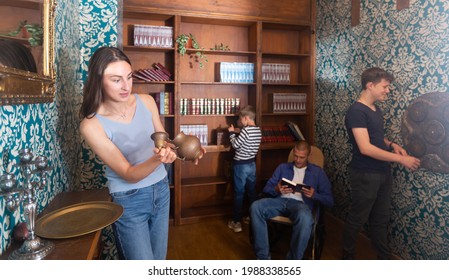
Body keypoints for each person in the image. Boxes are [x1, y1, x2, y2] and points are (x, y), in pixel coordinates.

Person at [79, 46, 204, 260]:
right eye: (116, 79)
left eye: (128, 77)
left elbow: (164, 142)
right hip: (129, 200)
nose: (126, 86)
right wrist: (158, 159)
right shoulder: (91, 125)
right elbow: (128, 173)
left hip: (161, 190)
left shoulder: (146, 101)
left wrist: (186, 149)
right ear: (98, 80)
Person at [343, 67, 421, 260]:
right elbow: (365, 148)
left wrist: (392, 144)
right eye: (385, 87)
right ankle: (347, 258)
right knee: (357, 219)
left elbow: (375, 138)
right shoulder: (356, 111)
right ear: (370, 85)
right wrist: (402, 159)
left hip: (382, 172)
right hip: (365, 174)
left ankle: (384, 260)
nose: (388, 90)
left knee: (380, 219)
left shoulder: (374, 109)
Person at [250, 140, 334, 259]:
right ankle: (263, 258)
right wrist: (277, 189)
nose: (298, 160)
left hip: (301, 205)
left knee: (305, 217)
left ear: (308, 156)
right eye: (296, 156)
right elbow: (266, 188)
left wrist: (314, 195)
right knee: (256, 206)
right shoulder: (282, 167)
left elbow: (330, 200)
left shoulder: (318, 172)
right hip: (280, 201)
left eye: (302, 157)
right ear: (293, 152)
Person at [227, 105, 262, 233]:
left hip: (240, 165)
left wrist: (231, 133)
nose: (239, 122)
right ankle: (251, 216)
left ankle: (236, 222)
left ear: (246, 118)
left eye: (240, 119)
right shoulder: (258, 130)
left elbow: (236, 145)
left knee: (239, 193)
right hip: (252, 165)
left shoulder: (245, 131)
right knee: (251, 192)